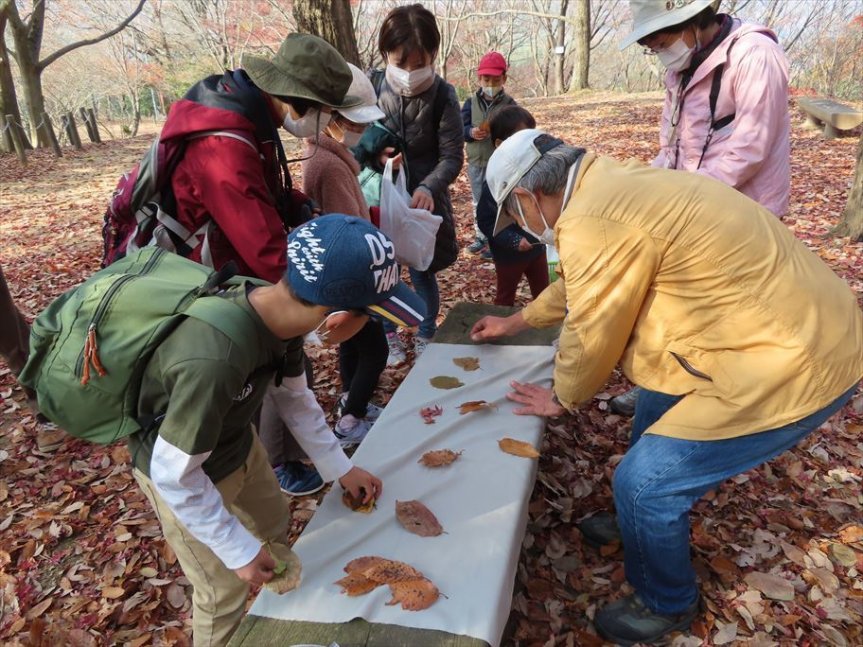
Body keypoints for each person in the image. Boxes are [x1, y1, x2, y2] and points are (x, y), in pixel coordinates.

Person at [471, 129, 862, 645]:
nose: (521, 230)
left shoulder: (593, 219)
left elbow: (592, 327)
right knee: (654, 400)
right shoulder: (604, 185)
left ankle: (666, 600)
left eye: (516, 218)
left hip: (794, 357)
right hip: (776, 329)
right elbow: (582, 283)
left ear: (526, 196)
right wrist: (517, 322)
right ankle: (637, 524)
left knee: (644, 483)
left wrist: (562, 396)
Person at [130, 215, 425, 646]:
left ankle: (282, 610)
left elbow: (294, 398)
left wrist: (338, 467)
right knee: (222, 591)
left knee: (272, 521)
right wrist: (236, 551)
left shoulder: (282, 317)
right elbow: (175, 476)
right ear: (337, 318)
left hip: (237, 448)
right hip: (186, 476)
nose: (375, 329)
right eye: (374, 318)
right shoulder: (216, 360)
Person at [151, 33, 363, 495]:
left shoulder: (251, 116)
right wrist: (319, 301)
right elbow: (264, 247)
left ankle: (262, 464)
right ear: (300, 100)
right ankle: (237, 472)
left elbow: (265, 191)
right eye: (325, 110)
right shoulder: (224, 143)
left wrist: (300, 207)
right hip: (204, 278)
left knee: (286, 376)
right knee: (253, 373)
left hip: (232, 267)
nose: (326, 123)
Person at [611, 0, 792, 417]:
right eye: (651, 47)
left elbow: (751, 147)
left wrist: (683, 196)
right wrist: (641, 182)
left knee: (723, 313)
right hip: (694, 207)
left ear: (692, 22)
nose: (660, 52)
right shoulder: (680, 69)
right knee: (675, 302)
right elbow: (670, 145)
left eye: (662, 41)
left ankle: (719, 403)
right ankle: (663, 385)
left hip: (743, 212)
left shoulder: (754, 55)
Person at [360, 3, 464, 365]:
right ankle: (389, 337)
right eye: (401, 62)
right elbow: (350, 140)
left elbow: (452, 156)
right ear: (385, 53)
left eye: (419, 63)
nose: (409, 72)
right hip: (378, 197)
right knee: (382, 273)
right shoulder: (369, 86)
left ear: (433, 54)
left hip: (423, 201)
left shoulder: (443, 94)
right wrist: (375, 154)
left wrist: (429, 187)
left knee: (422, 272)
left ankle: (424, 332)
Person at [300, 64, 388, 446]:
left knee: (353, 343)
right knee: (376, 347)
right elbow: (343, 234)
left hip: (344, 278)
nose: (363, 131)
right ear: (334, 120)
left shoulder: (329, 158)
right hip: (350, 277)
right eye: (358, 124)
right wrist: (364, 285)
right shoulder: (328, 166)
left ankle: (352, 403)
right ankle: (351, 420)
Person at [476, 106, 549, 306]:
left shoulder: (535, 170)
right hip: (509, 255)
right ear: (500, 144)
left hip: (537, 247)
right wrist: (513, 240)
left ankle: (548, 331)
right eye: (521, 139)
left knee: (544, 294)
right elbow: (485, 220)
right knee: (505, 297)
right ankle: (498, 331)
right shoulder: (494, 181)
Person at [462, 51, 518, 257]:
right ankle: (481, 237)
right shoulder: (470, 103)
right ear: (479, 78)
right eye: (486, 79)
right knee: (479, 200)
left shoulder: (510, 104)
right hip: (477, 161)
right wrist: (469, 132)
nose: (491, 84)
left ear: (504, 78)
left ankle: (500, 238)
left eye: (496, 80)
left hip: (502, 163)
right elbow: (460, 127)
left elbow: (518, 131)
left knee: (500, 199)